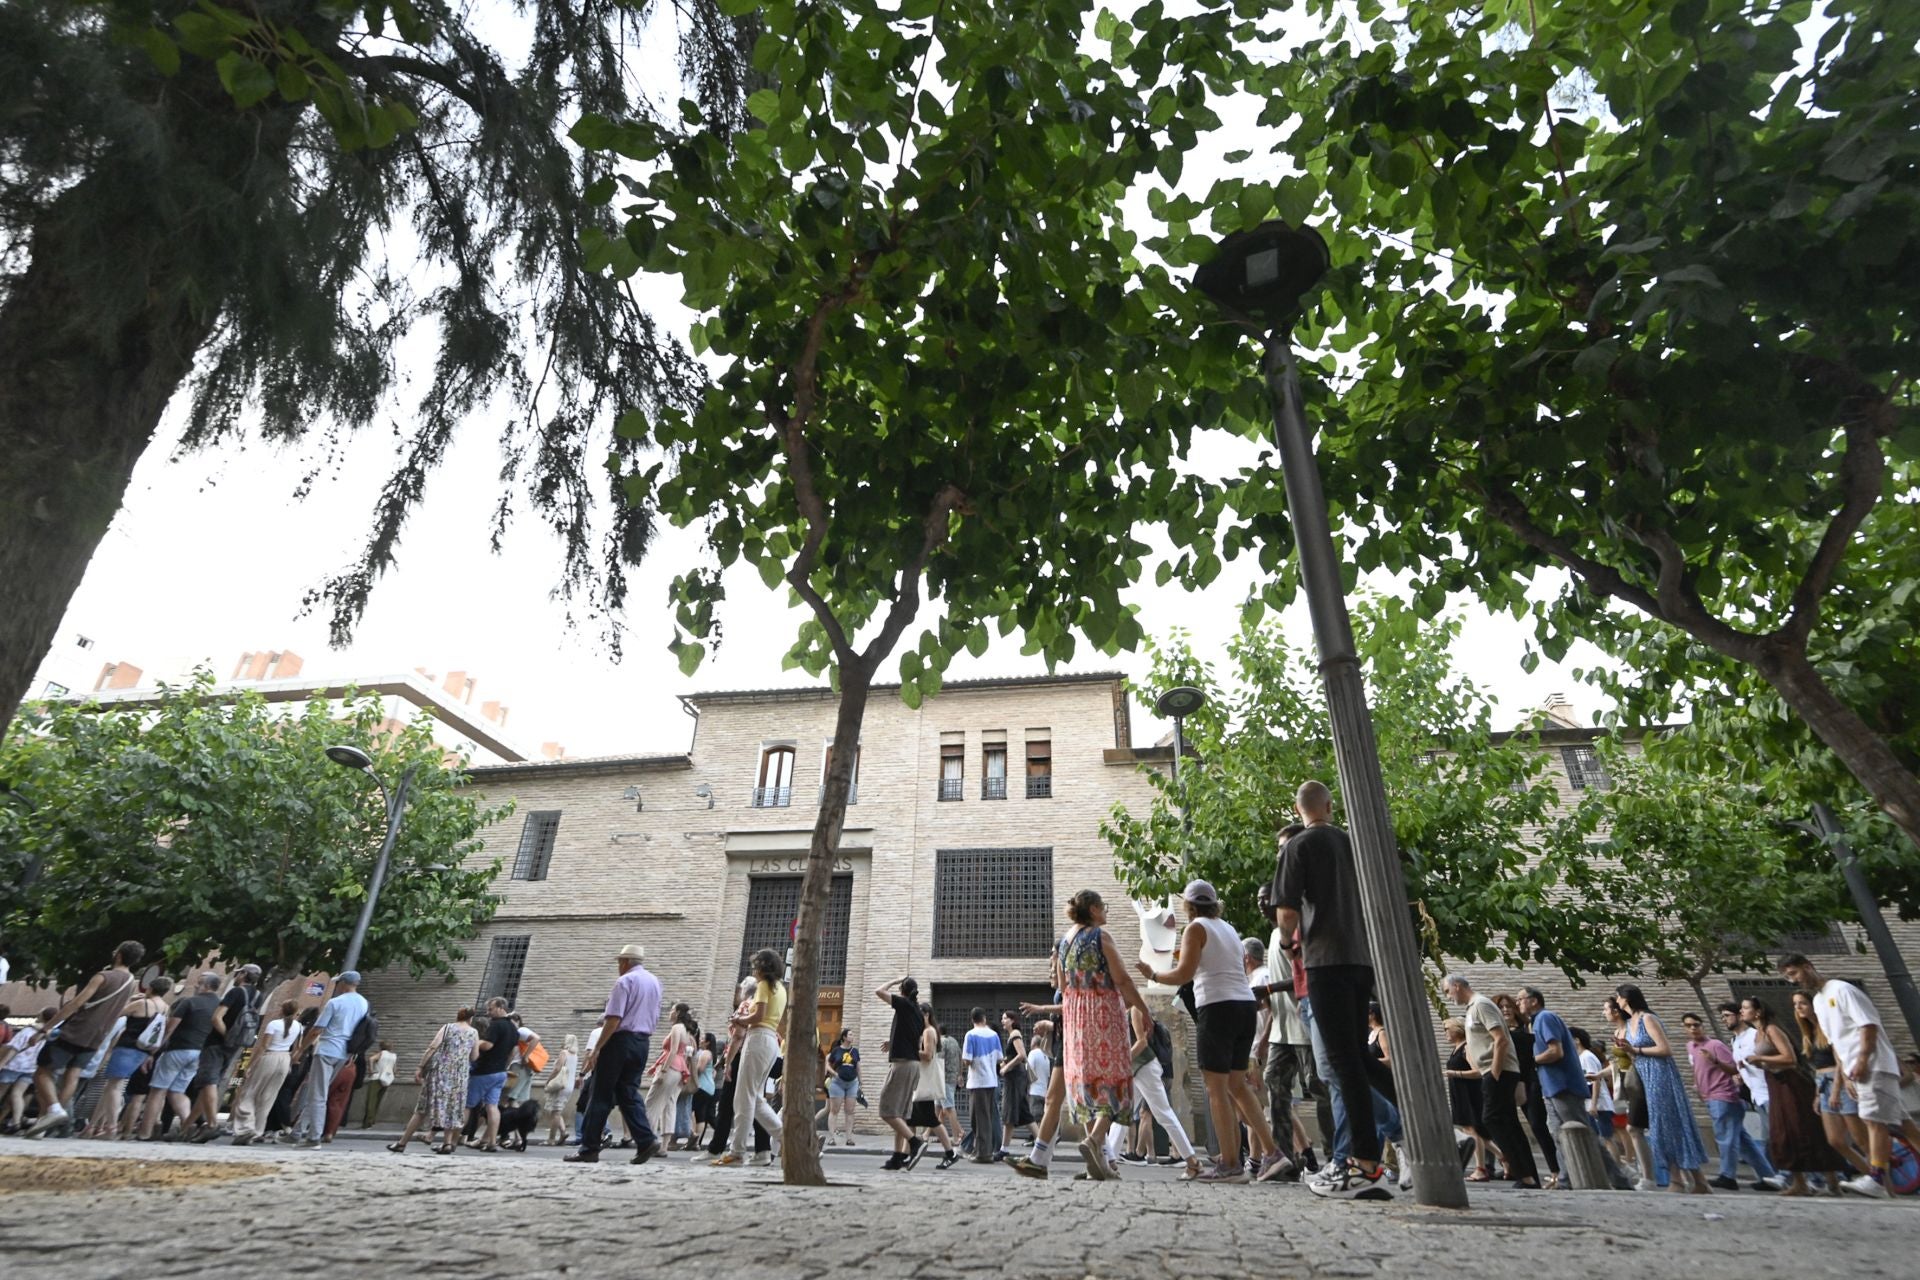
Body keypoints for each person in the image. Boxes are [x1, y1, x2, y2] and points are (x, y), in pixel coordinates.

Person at [1272, 783, 1397, 1201]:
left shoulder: (1298, 846)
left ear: (1299, 809)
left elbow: (1287, 911)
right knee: (1357, 1059)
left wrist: (1289, 942)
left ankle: (1364, 1166)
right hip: (1361, 959)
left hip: (1323, 960)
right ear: (1329, 806)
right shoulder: (1352, 844)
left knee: (1342, 1064)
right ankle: (1413, 1130)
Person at [1137, 879, 1283, 1184]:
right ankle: (1273, 1152)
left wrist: (1153, 974)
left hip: (1217, 1008)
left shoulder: (1196, 928)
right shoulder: (1228, 928)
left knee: (1216, 1089)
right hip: (1244, 1006)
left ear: (1189, 905)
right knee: (1237, 1085)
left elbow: (1184, 974)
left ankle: (1231, 1165)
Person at [1780, 952, 1919, 1199]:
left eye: (1794, 973)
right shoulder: (1821, 1001)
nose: (1793, 980)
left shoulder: (1842, 990)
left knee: (1872, 1121)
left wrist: (1863, 1060)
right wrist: (1845, 1073)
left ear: (1808, 966)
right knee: (1904, 1126)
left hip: (1873, 1066)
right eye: (1788, 977)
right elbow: (1837, 1044)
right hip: (1856, 1070)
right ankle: (1879, 1180)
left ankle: (1876, 1179)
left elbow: (1867, 1025)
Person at [1054, 888, 1148, 1182]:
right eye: (1103, 906)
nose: (1106, 911)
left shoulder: (1064, 942)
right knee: (1116, 1079)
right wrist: (1144, 1010)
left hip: (1075, 1016)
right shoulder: (1100, 937)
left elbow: (1061, 985)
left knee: (1086, 1083)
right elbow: (1122, 979)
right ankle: (1095, 1140)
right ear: (1093, 910)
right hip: (1104, 1013)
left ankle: (1098, 1164)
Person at [22, 939, 144, 1138]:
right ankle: (47, 1121)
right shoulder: (131, 983)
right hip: (97, 1037)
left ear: (119, 955)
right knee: (73, 1075)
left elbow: (77, 1003)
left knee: (42, 1072)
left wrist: (46, 1028)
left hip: (76, 1030)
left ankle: (53, 1110)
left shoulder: (103, 976)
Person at [1253, 865, 1330, 1172]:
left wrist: (1268, 988)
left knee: (1319, 1086)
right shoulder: (1274, 935)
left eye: (1266, 898)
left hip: (1303, 1026)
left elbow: (1302, 979)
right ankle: (1284, 1157)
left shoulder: (1297, 930)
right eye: (1258, 899)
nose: (1261, 904)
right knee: (1275, 1086)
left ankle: (1334, 1155)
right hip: (1281, 1032)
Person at [567, 943, 665, 1165]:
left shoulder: (624, 982)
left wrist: (597, 1048)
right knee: (628, 1093)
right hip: (642, 1042)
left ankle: (589, 1148)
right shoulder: (655, 982)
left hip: (620, 1041)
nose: (618, 966)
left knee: (600, 1094)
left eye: (619, 962)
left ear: (625, 962)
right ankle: (646, 1139)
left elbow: (613, 1019)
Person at [1612, 983, 1710, 1194]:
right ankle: (1695, 1180)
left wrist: (1635, 1049)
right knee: (1659, 1125)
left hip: (1660, 1074)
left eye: (1618, 997)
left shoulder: (1648, 1018)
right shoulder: (1630, 1024)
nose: (1617, 1001)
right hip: (1643, 1074)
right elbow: (1635, 1053)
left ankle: (1678, 1179)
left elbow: (1665, 1049)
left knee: (1666, 1123)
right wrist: (1628, 1050)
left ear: (1626, 998)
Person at [1444, 974, 1540, 1189]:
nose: (1447, 997)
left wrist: (1494, 1072)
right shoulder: (1472, 1009)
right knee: (1506, 1122)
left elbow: (1501, 1039)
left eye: (1447, 991)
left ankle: (1522, 1173)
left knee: (1492, 1118)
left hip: (1499, 1072)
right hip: (1492, 1071)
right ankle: (1527, 1176)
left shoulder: (1481, 1005)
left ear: (1457, 986)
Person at [1736, 996, 1838, 1196]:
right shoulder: (1759, 1033)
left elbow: (1789, 1057)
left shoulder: (1772, 1029)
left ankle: (1831, 1181)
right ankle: (1798, 1182)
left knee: (1804, 1129)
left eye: (1745, 1007)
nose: (1741, 1011)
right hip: (1774, 1083)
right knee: (1783, 1133)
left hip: (1791, 1084)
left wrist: (1760, 1058)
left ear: (1758, 1012)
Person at [1679, 1011, 1780, 1191]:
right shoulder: (1690, 1047)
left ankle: (1727, 1176)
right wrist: (1698, 1087)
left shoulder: (1715, 1045)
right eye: (1688, 1025)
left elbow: (1734, 1068)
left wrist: (1715, 1060)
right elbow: (1697, 1069)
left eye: (1696, 1024)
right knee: (1743, 1141)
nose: (1693, 1028)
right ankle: (1768, 1176)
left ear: (1703, 1025)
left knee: (1725, 1138)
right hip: (1709, 1096)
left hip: (1724, 1096)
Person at [1793, 990, 1873, 1189]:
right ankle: (1871, 1175)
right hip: (1822, 1082)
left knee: (1860, 1138)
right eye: (1795, 1004)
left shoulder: (1827, 1027)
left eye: (1802, 1003)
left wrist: (1837, 1088)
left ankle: (1879, 1179)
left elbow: (1840, 1059)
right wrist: (1818, 1094)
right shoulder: (1807, 1032)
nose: (1798, 1008)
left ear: (1814, 1005)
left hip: (1840, 1079)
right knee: (1835, 1140)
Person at [713, 948, 786, 1167]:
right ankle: (789, 1141)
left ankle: (737, 1152)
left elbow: (758, 1016)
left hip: (757, 1039)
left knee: (743, 1098)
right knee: (754, 1097)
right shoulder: (781, 988)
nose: (753, 970)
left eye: (756, 966)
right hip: (769, 1041)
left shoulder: (764, 986)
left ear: (764, 967)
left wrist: (739, 1019)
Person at [285, 971, 369, 1148]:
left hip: (327, 1050)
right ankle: (297, 1132)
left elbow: (317, 1029)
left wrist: (300, 1050)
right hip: (345, 1053)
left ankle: (314, 1137)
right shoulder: (363, 1003)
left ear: (344, 983)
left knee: (317, 1094)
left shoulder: (335, 1002)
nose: (337, 986)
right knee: (319, 1092)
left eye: (338, 983)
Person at [139, 972, 225, 1141]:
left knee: (157, 1090)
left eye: (199, 983)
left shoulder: (189, 1002)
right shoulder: (220, 1006)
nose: (195, 986)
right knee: (177, 1090)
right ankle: (188, 1124)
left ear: (206, 986)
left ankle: (145, 1132)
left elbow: (169, 1028)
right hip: (200, 1053)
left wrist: (153, 1051)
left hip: (178, 1049)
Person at [84, 975, 171, 1140]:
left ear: (150, 988)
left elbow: (115, 1013)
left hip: (127, 1047)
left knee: (114, 1087)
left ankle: (111, 1127)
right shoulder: (166, 1008)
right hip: (143, 1050)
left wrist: (130, 999)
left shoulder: (142, 1003)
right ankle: (92, 1126)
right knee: (111, 1088)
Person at [183, 963, 262, 1142]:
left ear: (243, 974)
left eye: (238, 973)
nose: (236, 977)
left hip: (217, 1043)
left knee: (208, 1082)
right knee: (207, 1085)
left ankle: (211, 1124)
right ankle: (185, 1128)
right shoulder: (258, 995)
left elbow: (217, 1018)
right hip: (236, 1045)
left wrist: (227, 1036)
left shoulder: (235, 992)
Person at [392, 1007, 479, 1154]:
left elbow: (432, 1047)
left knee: (422, 1108)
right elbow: (474, 1056)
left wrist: (420, 1066)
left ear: (458, 1016)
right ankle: (447, 1144)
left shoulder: (447, 1027)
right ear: (471, 1018)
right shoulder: (474, 1032)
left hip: (440, 1072)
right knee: (452, 1108)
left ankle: (402, 1142)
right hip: (459, 1075)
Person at [1495, 991, 1559, 1188]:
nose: (1506, 1009)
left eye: (1509, 1006)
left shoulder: (1527, 1027)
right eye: (1501, 1007)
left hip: (1528, 1080)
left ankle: (1556, 1172)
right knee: (1508, 1127)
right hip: (1506, 1081)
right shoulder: (1496, 1032)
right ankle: (1523, 1172)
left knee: (1538, 1125)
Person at [230, 1000, 302, 1145]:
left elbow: (263, 1046)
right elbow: (298, 1048)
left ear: (282, 1009)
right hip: (285, 1059)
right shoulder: (298, 1026)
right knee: (268, 1097)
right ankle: (258, 1130)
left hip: (269, 1057)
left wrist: (249, 1066)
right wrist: (292, 1061)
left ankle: (246, 1128)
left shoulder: (273, 1024)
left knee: (249, 1093)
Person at [1602, 995, 1656, 1185]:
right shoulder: (1618, 1032)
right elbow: (1617, 1063)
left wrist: (1631, 1050)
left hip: (1638, 1081)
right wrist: (1599, 1075)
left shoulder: (1631, 1030)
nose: (1604, 1013)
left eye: (1606, 1009)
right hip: (1625, 1085)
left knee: (1635, 1127)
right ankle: (1644, 1173)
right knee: (1632, 1128)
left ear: (1616, 1011)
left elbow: (1637, 1057)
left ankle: (1647, 1174)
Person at [463, 996, 518, 1151]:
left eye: (490, 1009)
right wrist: (505, 1065)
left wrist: (476, 1042)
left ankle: (451, 1141)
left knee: (467, 1105)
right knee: (492, 1106)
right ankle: (492, 1142)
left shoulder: (496, 1025)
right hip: (501, 1072)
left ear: (501, 1007)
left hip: (484, 1071)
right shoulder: (513, 1028)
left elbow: (487, 1045)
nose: (488, 1013)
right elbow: (513, 1051)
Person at [1440, 1018, 1491, 1179]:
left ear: (1458, 1030)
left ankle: (1480, 1169)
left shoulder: (1466, 1047)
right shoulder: (1456, 1048)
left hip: (1468, 1092)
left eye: (1447, 1029)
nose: (1445, 1033)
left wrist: (1455, 1073)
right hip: (1459, 1092)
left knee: (1471, 1129)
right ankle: (1504, 1158)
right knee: (1471, 1130)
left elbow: (1477, 1071)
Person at [913, 1005, 959, 1169]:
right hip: (926, 1081)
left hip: (928, 1081)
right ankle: (906, 1154)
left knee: (933, 1117)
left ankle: (950, 1151)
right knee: (914, 1118)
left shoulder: (929, 1032)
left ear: (926, 1015)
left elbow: (928, 1055)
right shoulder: (930, 1032)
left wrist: (910, 1050)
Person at [645, 1002, 698, 1142]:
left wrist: (663, 1070)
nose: (669, 1012)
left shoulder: (676, 1028)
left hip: (671, 1068)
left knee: (651, 1104)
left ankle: (647, 1140)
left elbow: (673, 1051)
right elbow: (687, 1054)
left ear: (678, 1013)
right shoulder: (687, 1032)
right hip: (681, 1071)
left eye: (672, 1010)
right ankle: (664, 1146)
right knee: (670, 1104)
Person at [0, 1007, 57, 1131]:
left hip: (14, 1065)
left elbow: (15, 1048)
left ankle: (14, 1121)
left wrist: (2, 1063)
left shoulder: (28, 1031)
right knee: (18, 1093)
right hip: (31, 1068)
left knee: (1, 1092)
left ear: (41, 1016)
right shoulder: (50, 1035)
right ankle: (15, 1122)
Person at [960, 1006, 1002, 1164]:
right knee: (985, 1117)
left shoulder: (970, 1035)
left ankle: (984, 1153)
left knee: (978, 1118)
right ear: (984, 1018)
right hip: (992, 1081)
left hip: (977, 1081)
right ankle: (982, 1150)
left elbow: (967, 1060)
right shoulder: (994, 1035)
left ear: (972, 1020)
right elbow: (999, 1058)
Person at [998, 1010, 1031, 1159]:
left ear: (1012, 1020)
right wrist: (1005, 1060)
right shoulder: (1013, 1035)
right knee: (1025, 1114)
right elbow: (1015, 1055)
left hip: (1015, 1079)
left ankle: (1004, 1149)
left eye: (1005, 1018)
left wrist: (1006, 1067)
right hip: (1017, 1078)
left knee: (1009, 1112)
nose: (1002, 1021)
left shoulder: (1015, 1034)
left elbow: (1022, 1055)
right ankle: (1042, 1145)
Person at [1572, 1026, 1612, 1144]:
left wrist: (1593, 1105)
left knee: (1606, 1139)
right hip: (1591, 1104)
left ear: (1577, 1040)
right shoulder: (1581, 1057)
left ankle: (1614, 1162)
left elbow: (1596, 1080)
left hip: (1599, 1106)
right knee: (1597, 1139)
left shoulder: (1587, 1057)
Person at [542, 1033, 581, 1147]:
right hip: (569, 1085)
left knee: (555, 1112)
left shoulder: (564, 1053)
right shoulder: (575, 1055)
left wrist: (548, 1080)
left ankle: (551, 1139)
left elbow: (557, 1069)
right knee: (557, 1111)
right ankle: (563, 1132)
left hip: (560, 1085)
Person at [825, 1028, 861, 1146]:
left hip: (852, 1083)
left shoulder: (855, 1051)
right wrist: (834, 1073)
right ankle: (831, 1138)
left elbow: (858, 1067)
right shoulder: (836, 1050)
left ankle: (849, 1138)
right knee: (834, 1110)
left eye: (852, 1034)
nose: (852, 1036)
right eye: (850, 1034)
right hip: (837, 1083)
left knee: (850, 1111)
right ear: (844, 1037)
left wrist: (860, 1082)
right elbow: (828, 1066)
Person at [688, 1032, 718, 1149]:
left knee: (689, 1111)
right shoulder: (711, 1054)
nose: (700, 1040)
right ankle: (696, 1142)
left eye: (702, 1039)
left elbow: (700, 1069)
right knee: (700, 1115)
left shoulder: (706, 1053)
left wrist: (690, 1065)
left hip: (702, 1086)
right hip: (709, 1087)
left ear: (707, 1042)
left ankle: (693, 1137)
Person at [361, 1040, 397, 1128]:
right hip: (386, 1079)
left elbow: (371, 1059)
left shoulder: (382, 1054)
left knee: (371, 1100)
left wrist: (371, 1070)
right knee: (378, 1100)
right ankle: (373, 1120)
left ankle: (368, 1122)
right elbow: (395, 1069)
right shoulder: (394, 1056)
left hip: (376, 1078)